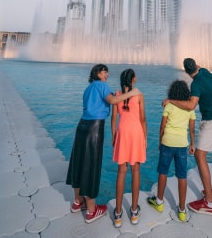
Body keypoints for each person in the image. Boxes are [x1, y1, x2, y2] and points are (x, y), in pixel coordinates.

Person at [65, 64, 138, 223]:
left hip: (82, 126)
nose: (106, 74)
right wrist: (132, 92)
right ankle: (91, 210)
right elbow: (112, 100)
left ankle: (78, 202)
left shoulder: (88, 88)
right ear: (97, 73)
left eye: (107, 72)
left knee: (78, 162)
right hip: (94, 128)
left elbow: (106, 99)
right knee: (91, 165)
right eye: (104, 72)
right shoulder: (101, 85)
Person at [183, 58, 212, 215]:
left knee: (199, 155)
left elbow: (191, 105)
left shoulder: (195, 84)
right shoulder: (206, 72)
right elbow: (200, 68)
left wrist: (171, 101)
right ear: (197, 66)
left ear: (186, 72)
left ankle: (209, 203)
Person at [146, 80, 197, 222]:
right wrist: (193, 144)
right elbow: (192, 129)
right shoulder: (190, 109)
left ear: (172, 92)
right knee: (182, 176)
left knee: (163, 172)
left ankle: (159, 202)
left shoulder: (168, 105)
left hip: (167, 142)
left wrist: (160, 141)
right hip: (182, 144)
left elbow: (162, 126)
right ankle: (181, 210)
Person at [110, 69, 147, 227]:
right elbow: (143, 119)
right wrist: (145, 138)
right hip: (136, 133)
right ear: (134, 80)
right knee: (135, 170)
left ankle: (118, 214)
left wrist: (114, 138)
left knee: (121, 172)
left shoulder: (116, 96)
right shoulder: (139, 95)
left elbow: (113, 119)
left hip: (122, 134)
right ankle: (133, 211)